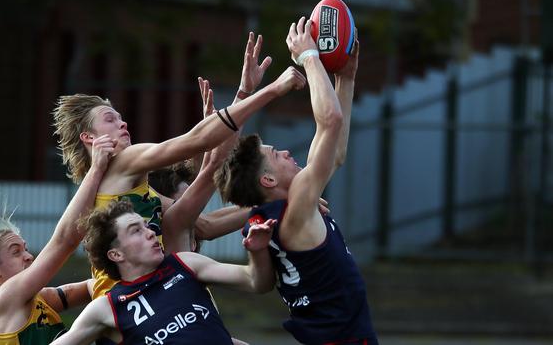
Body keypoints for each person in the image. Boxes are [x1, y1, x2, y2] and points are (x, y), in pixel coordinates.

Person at [53, 32, 306, 300]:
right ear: (89, 138)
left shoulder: (124, 188)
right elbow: (198, 140)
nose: (123, 124)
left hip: (141, 304)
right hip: (134, 309)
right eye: (110, 120)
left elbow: (204, 224)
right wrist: (274, 89)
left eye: (121, 118)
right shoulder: (124, 162)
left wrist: (278, 203)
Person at [214, 17, 377, 345]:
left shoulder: (281, 210)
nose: (287, 152)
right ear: (269, 179)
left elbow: (337, 152)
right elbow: (329, 121)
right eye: (275, 153)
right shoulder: (296, 208)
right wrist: (308, 56)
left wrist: (345, 77)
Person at [0, 135, 115, 345]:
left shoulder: (32, 299)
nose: (29, 256)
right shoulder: (1, 300)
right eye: (16, 251)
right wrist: (95, 169)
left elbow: (89, 287)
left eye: (25, 249)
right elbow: (64, 241)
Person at [49, 200, 276, 345]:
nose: (150, 233)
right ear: (116, 254)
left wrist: (258, 251)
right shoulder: (107, 307)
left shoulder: (184, 263)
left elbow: (258, 282)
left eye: (147, 226)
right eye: (136, 231)